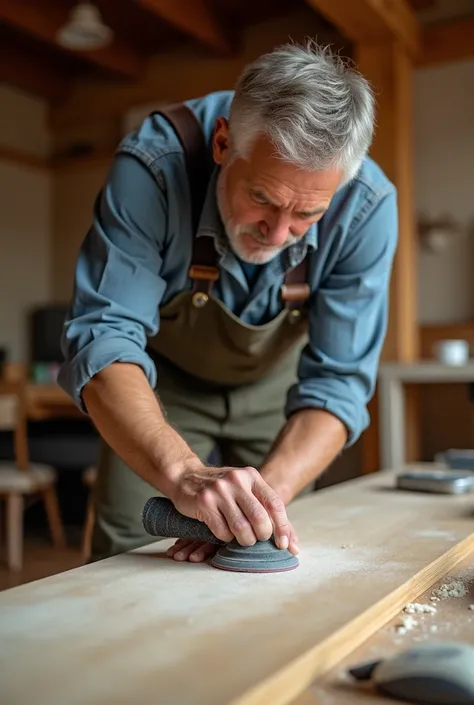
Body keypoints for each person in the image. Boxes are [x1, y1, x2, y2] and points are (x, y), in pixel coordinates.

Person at [59, 40, 398, 564]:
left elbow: (339, 382)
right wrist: (184, 476)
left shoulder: (367, 207)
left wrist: (251, 511)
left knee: (267, 552)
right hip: (156, 385)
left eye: (307, 213)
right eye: (262, 197)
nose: (278, 234)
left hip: (276, 396)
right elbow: (105, 337)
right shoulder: (153, 164)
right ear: (222, 144)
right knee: (130, 561)